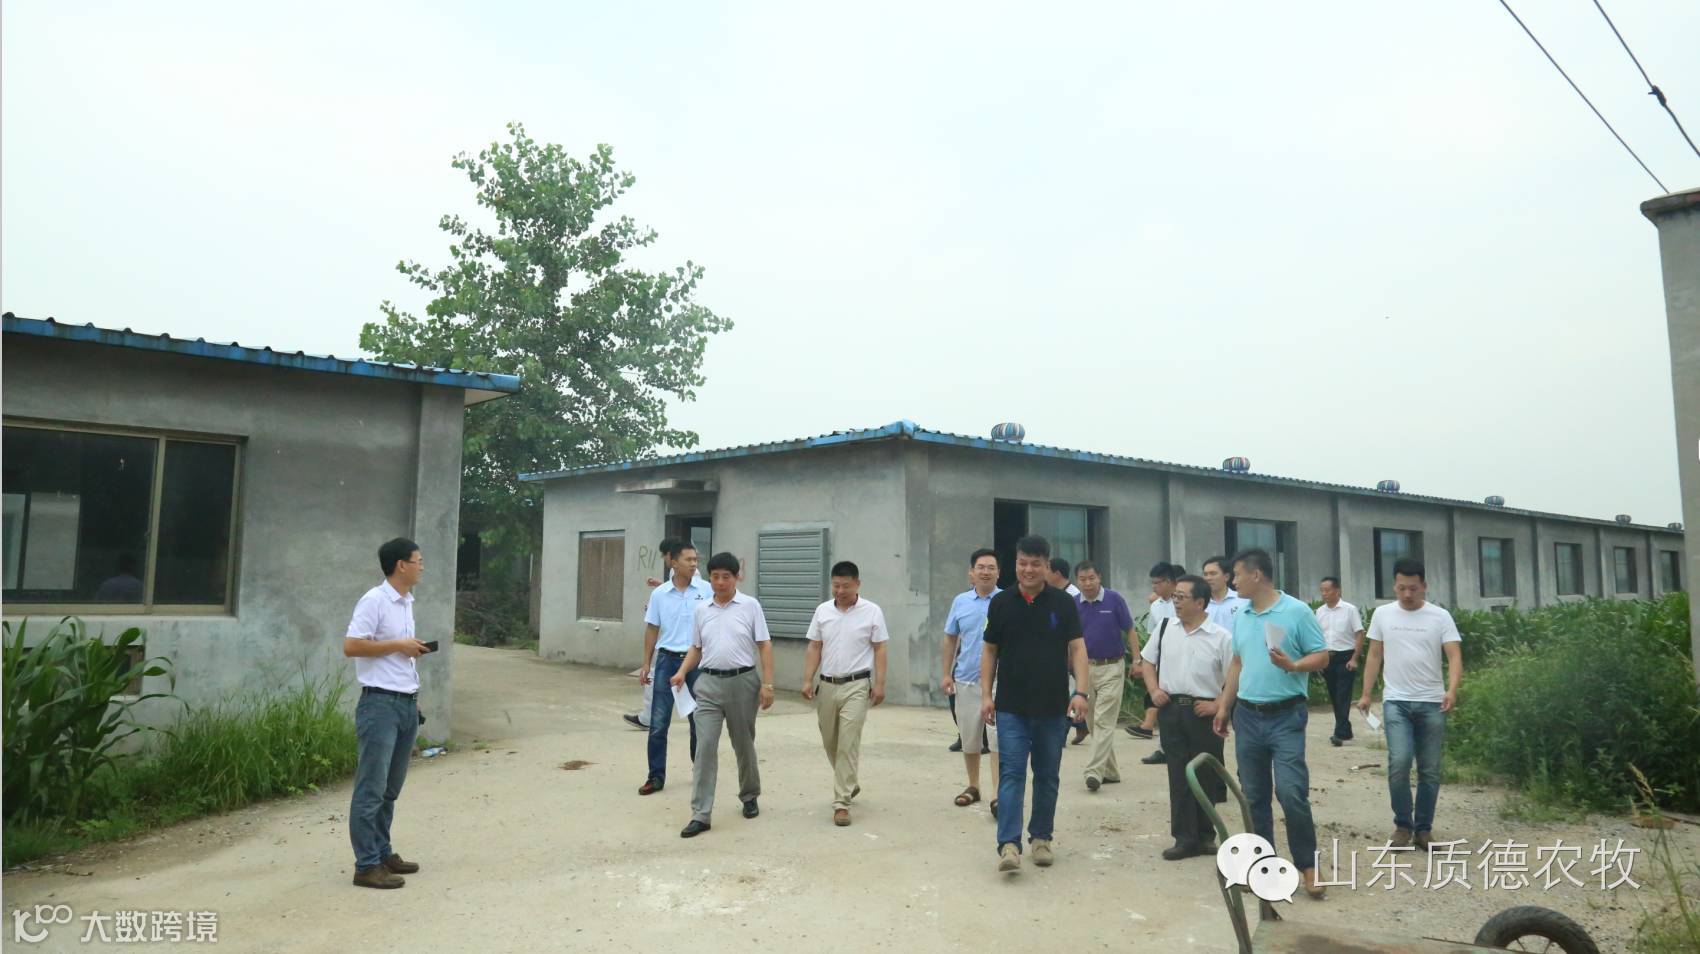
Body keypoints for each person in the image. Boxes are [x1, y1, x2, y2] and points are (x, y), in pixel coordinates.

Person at [1212, 548, 1329, 899]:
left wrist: (1294, 666)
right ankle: (1263, 867)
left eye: (1236, 575)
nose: (1233, 581)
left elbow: (1322, 655)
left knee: (1291, 792)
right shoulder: (1243, 615)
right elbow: (1237, 662)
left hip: (1286, 715)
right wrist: (1224, 706)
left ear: (1256, 575)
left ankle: (1308, 866)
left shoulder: (1296, 611)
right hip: (1247, 716)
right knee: (1254, 796)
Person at [980, 535, 1089, 874]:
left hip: (1053, 708)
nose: (1028, 569)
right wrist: (986, 695)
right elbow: (990, 651)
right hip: (1011, 707)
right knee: (1011, 774)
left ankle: (1041, 839)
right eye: (1022, 563)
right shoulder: (1001, 603)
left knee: (1047, 776)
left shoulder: (1063, 603)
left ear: (1046, 566)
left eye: (1035, 564)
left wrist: (1081, 691)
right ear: (1015, 564)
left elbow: (1077, 648)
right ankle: (1009, 845)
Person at [1355, 559, 1462, 851]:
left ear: (1424, 586)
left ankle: (1423, 830)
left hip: (1432, 702)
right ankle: (1403, 825)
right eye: (1401, 588)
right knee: (1399, 761)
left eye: (1413, 588)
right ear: (1394, 586)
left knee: (1430, 769)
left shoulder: (1440, 616)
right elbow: (1374, 655)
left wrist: (1452, 690)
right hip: (1396, 702)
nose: (1407, 594)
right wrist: (1366, 693)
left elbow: (1454, 655)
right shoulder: (1382, 614)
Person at [342, 537, 432, 889]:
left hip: (405, 703)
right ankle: (366, 866)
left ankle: (382, 853)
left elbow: (396, 657)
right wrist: (399, 645)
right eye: (418, 560)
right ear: (401, 565)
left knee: (390, 789)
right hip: (379, 706)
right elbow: (352, 645)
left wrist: (411, 680)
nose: (422, 566)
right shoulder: (375, 600)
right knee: (371, 788)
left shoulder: (406, 602)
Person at [672, 552, 775, 838]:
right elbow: (696, 647)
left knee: (743, 742)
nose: (720, 582)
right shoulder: (702, 610)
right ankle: (700, 813)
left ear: (736, 577)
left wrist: (768, 684)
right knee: (704, 745)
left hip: (743, 683)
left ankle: (749, 794)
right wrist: (682, 671)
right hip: (708, 684)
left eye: (726, 577)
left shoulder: (750, 606)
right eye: (715, 577)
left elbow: (764, 645)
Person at [1142, 574, 1233, 859]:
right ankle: (1184, 837)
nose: (1176, 602)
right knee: (1178, 774)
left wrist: (1218, 705)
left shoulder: (1221, 637)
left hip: (1203, 713)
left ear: (1200, 602)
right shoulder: (1166, 628)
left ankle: (1206, 836)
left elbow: (1234, 676)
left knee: (1205, 774)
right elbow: (1147, 661)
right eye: (1175, 597)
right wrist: (1154, 690)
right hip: (1171, 709)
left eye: (1181, 597)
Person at [801, 561, 888, 826]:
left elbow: (880, 649)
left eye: (846, 586)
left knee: (848, 742)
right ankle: (849, 782)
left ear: (857, 584)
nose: (840, 591)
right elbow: (815, 646)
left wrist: (880, 683)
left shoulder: (872, 612)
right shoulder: (823, 611)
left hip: (857, 685)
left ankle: (841, 803)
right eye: (836, 586)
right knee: (830, 741)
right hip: (827, 685)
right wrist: (807, 679)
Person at [635, 543, 713, 795]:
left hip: (697, 662)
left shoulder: (706, 590)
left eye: (696, 559)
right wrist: (647, 663)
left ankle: (700, 773)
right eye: (688, 559)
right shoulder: (660, 594)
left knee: (699, 721)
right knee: (659, 722)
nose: (694, 564)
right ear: (674, 563)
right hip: (667, 661)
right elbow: (652, 628)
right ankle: (655, 776)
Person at [943, 549, 1000, 809]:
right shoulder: (960, 602)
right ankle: (973, 786)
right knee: (969, 738)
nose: (985, 572)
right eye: (981, 567)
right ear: (971, 573)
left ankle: (998, 793)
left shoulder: (1007, 600)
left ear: (998, 573)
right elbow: (950, 638)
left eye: (991, 567)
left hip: (1000, 682)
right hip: (966, 678)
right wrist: (946, 673)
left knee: (998, 739)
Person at [1073, 561, 1134, 792]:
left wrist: (1137, 660)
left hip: (1112, 666)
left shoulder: (1114, 599)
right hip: (1084, 669)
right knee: (1091, 722)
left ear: (1099, 577)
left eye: (1091, 578)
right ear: (1077, 581)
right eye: (1082, 579)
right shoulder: (1073, 604)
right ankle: (1111, 771)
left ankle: (1093, 772)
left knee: (1103, 720)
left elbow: (1129, 629)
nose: (1087, 583)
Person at [625, 538, 684, 730]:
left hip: (679, 644)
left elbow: (685, 599)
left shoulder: (689, 575)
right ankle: (650, 718)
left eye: (664, 555)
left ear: (671, 555)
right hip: (676, 643)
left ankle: (649, 719)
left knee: (658, 681)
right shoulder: (677, 576)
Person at [1128, 562, 1182, 764]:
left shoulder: (1183, 600)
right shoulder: (1156, 606)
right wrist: (1144, 662)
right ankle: (1163, 748)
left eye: (1157, 583)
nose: (1154, 587)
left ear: (1169, 582)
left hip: (1183, 659)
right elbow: (1152, 637)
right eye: (1152, 583)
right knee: (1163, 704)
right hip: (1162, 662)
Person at [1314, 576, 1366, 748]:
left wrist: (1354, 658)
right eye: (1322, 590)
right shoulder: (1319, 612)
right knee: (1334, 695)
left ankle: (1339, 733)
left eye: (1327, 590)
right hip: (1327, 657)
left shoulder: (1349, 610)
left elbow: (1359, 633)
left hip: (1345, 657)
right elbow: (1317, 636)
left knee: (1343, 695)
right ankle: (1345, 729)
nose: (1324, 594)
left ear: (1337, 590)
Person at [1047, 557, 1088, 743]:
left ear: (1056, 573)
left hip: (1074, 652)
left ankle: (1065, 729)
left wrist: (1072, 655)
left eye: (1047, 569)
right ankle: (1081, 725)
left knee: (1072, 691)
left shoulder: (1073, 596)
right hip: (1059, 652)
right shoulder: (1052, 593)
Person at [1201, 555, 1249, 631]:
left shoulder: (1243, 600)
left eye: (1213, 574)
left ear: (1226, 577)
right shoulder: (1200, 603)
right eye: (1205, 574)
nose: (1208, 578)